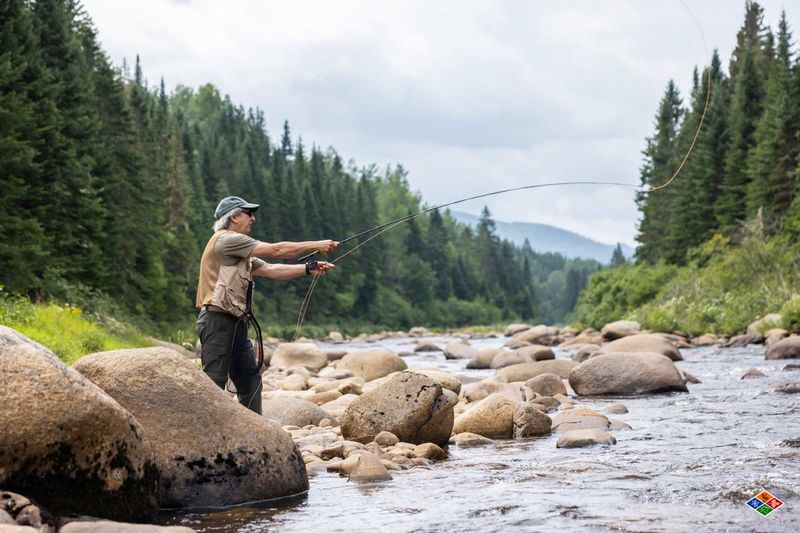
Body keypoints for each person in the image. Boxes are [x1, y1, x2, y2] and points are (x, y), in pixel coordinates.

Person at [196, 196, 337, 414]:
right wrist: (317, 245)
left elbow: (271, 270)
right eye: (248, 213)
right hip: (217, 320)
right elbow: (277, 250)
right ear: (233, 217)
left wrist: (308, 269)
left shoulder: (239, 250)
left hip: (235, 323)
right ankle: (205, 437)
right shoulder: (226, 240)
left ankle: (253, 432)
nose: (253, 218)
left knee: (250, 380)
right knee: (214, 382)